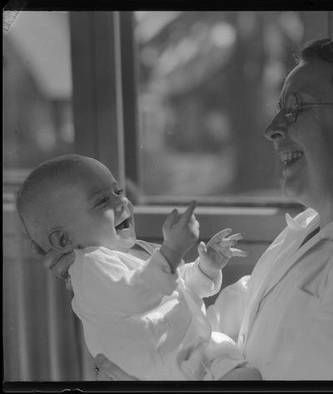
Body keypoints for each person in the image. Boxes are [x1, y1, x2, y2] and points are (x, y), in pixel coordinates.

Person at [42, 31, 333, 387]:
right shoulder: (311, 227)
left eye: (295, 108)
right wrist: (122, 324)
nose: (271, 127)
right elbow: (228, 321)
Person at [16, 154, 261, 381]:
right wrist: (172, 251)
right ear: (64, 241)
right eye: (102, 201)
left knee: (250, 375)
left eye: (118, 191)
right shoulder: (89, 267)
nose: (122, 201)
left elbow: (176, 287)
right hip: (167, 370)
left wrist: (205, 268)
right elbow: (138, 294)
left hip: (196, 355)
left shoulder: (133, 253)